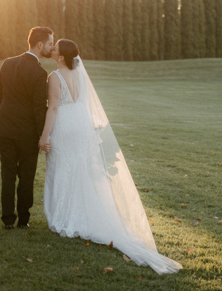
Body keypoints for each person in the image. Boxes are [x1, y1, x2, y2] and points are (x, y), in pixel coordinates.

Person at [39, 39, 182, 274]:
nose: (52, 49)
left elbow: (53, 108)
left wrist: (44, 137)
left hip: (64, 126)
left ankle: (63, 217)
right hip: (81, 126)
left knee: (62, 167)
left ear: (61, 57)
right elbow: (84, 104)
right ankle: (79, 210)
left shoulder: (54, 77)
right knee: (80, 169)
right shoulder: (81, 76)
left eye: (55, 48)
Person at [0, 26, 54, 229]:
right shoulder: (39, 72)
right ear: (40, 44)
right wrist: (42, 135)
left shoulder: (7, 63)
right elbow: (39, 108)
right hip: (27, 134)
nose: (51, 47)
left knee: (7, 174)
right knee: (26, 177)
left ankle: (8, 220)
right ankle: (23, 220)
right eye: (49, 44)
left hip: (4, 130)